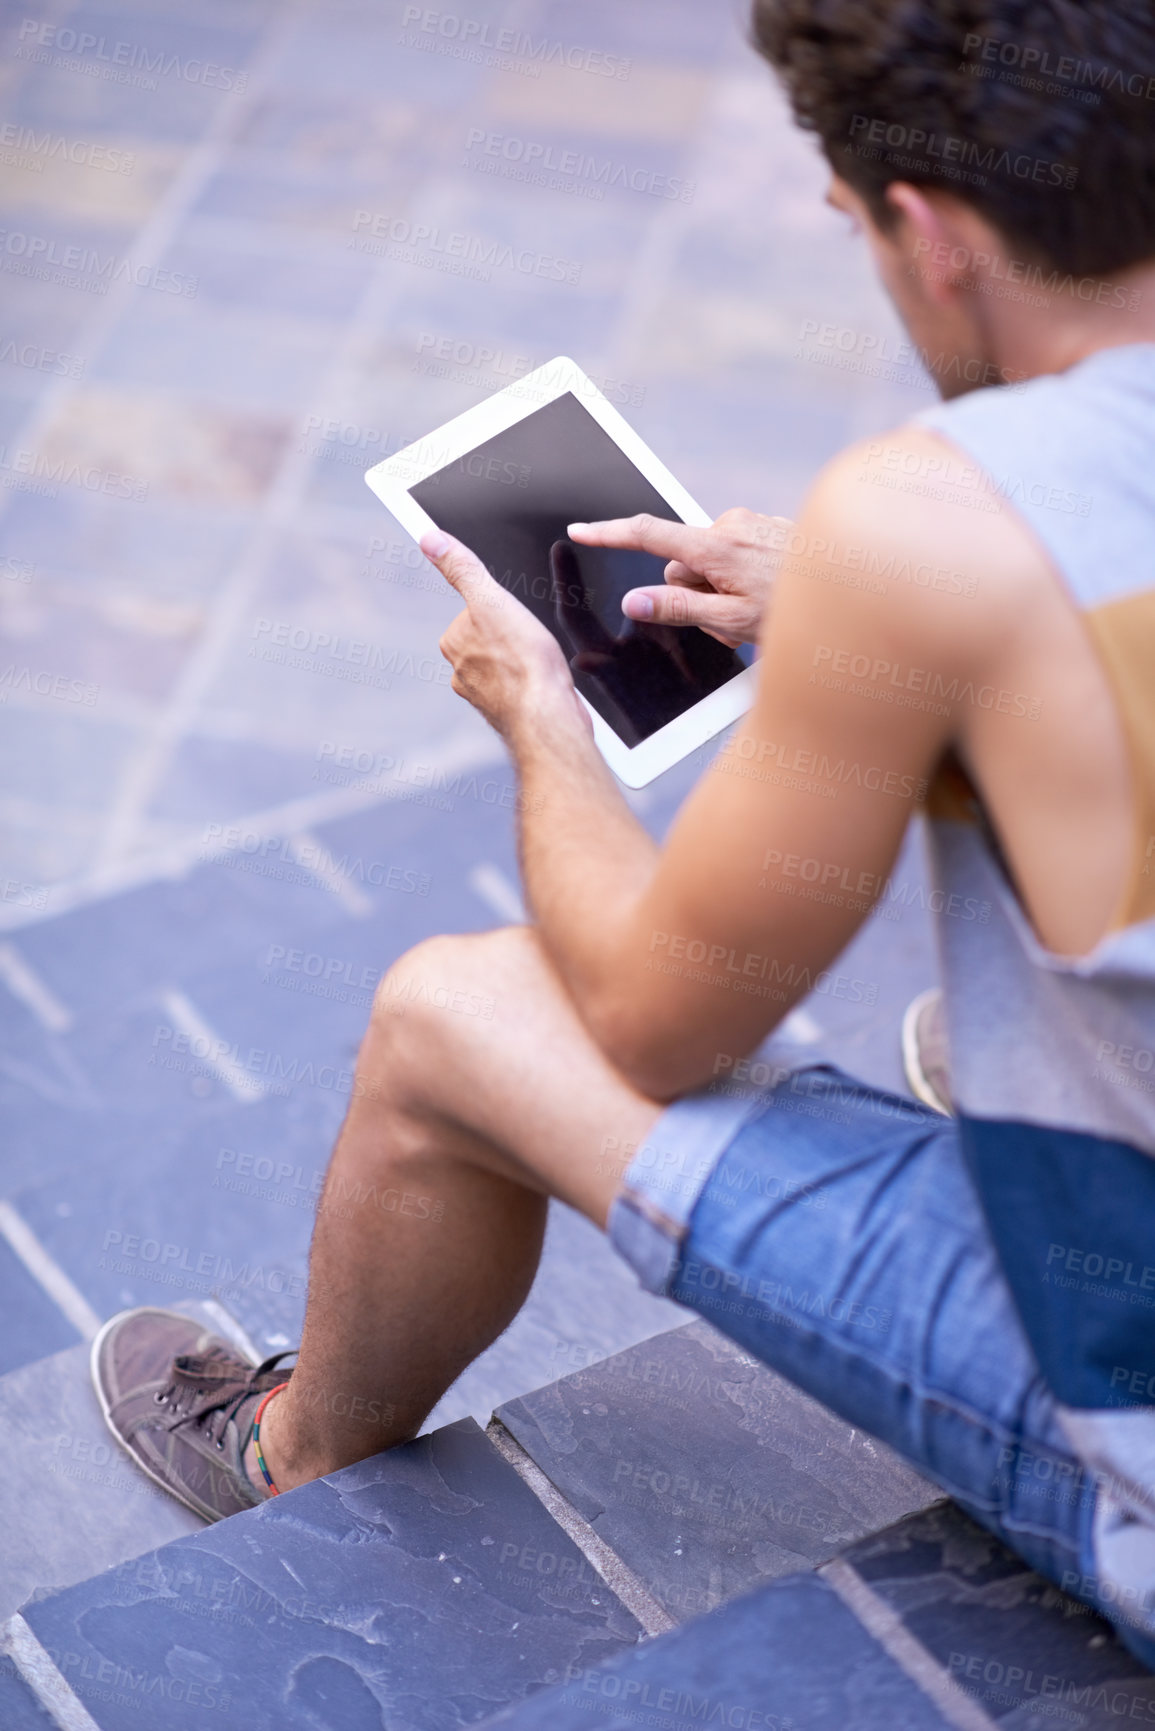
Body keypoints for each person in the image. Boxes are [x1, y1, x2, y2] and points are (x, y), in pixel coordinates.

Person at [91, 0, 1155, 1667]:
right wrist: (897, 635)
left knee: (449, 1018)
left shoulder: (947, 512)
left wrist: (541, 723)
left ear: (934, 235)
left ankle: (289, 1450)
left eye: (855, 220)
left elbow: (658, 1021)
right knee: (988, 1010)